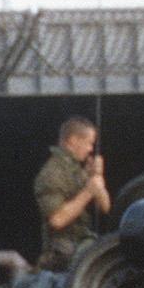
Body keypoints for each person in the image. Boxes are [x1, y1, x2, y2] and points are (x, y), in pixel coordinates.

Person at [33, 113, 111, 269]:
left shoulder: (76, 171)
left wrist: (96, 177)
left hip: (82, 243)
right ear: (73, 140)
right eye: (89, 143)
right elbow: (57, 220)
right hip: (62, 251)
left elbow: (106, 208)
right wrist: (88, 191)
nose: (91, 149)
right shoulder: (52, 173)